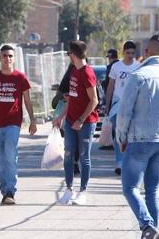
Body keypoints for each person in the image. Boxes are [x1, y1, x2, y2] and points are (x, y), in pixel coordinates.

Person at [116, 35, 159, 239]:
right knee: (153, 190)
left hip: (139, 139)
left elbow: (124, 111)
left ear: (146, 51)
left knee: (130, 188)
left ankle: (147, 227)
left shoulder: (138, 76)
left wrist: (121, 137)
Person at [0, 45, 37, 205]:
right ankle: (4, 190)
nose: (8, 58)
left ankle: (10, 190)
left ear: (14, 58)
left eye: (10, 56)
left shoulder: (20, 78)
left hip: (13, 123)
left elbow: (27, 100)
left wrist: (32, 120)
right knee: (1, 157)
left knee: (10, 154)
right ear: (0, 58)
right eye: (5, 56)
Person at [54, 41, 99, 206]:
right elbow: (72, 98)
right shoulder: (74, 71)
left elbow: (94, 100)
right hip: (70, 121)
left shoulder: (87, 73)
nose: (68, 57)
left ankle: (83, 192)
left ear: (73, 54)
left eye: (68, 54)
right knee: (68, 155)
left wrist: (81, 120)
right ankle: (69, 189)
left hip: (86, 123)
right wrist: (61, 115)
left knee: (83, 157)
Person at [106, 40, 141, 175]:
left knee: (131, 134)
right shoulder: (116, 66)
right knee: (118, 133)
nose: (130, 55)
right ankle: (119, 161)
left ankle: (128, 160)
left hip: (132, 103)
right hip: (117, 102)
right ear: (123, 52)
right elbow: (110, 86)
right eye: (128, 53)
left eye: (133, 53)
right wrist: (107, 105)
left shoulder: (138, 66)